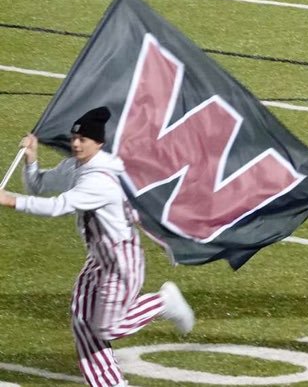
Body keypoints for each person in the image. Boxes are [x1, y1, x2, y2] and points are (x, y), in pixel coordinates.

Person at [0, 107, 194, 387]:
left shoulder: (99, 180)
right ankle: (110, 383)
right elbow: (39, 186)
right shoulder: (75, 166)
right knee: (82, 320)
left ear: (99, 143)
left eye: (83, 139)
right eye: (74, 138)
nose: (76, 144)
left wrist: (9, 200)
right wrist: (31, 160)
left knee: (107, 327)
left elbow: (58, 206)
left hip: (121, 261)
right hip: (98, 259)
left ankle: (162, 302)